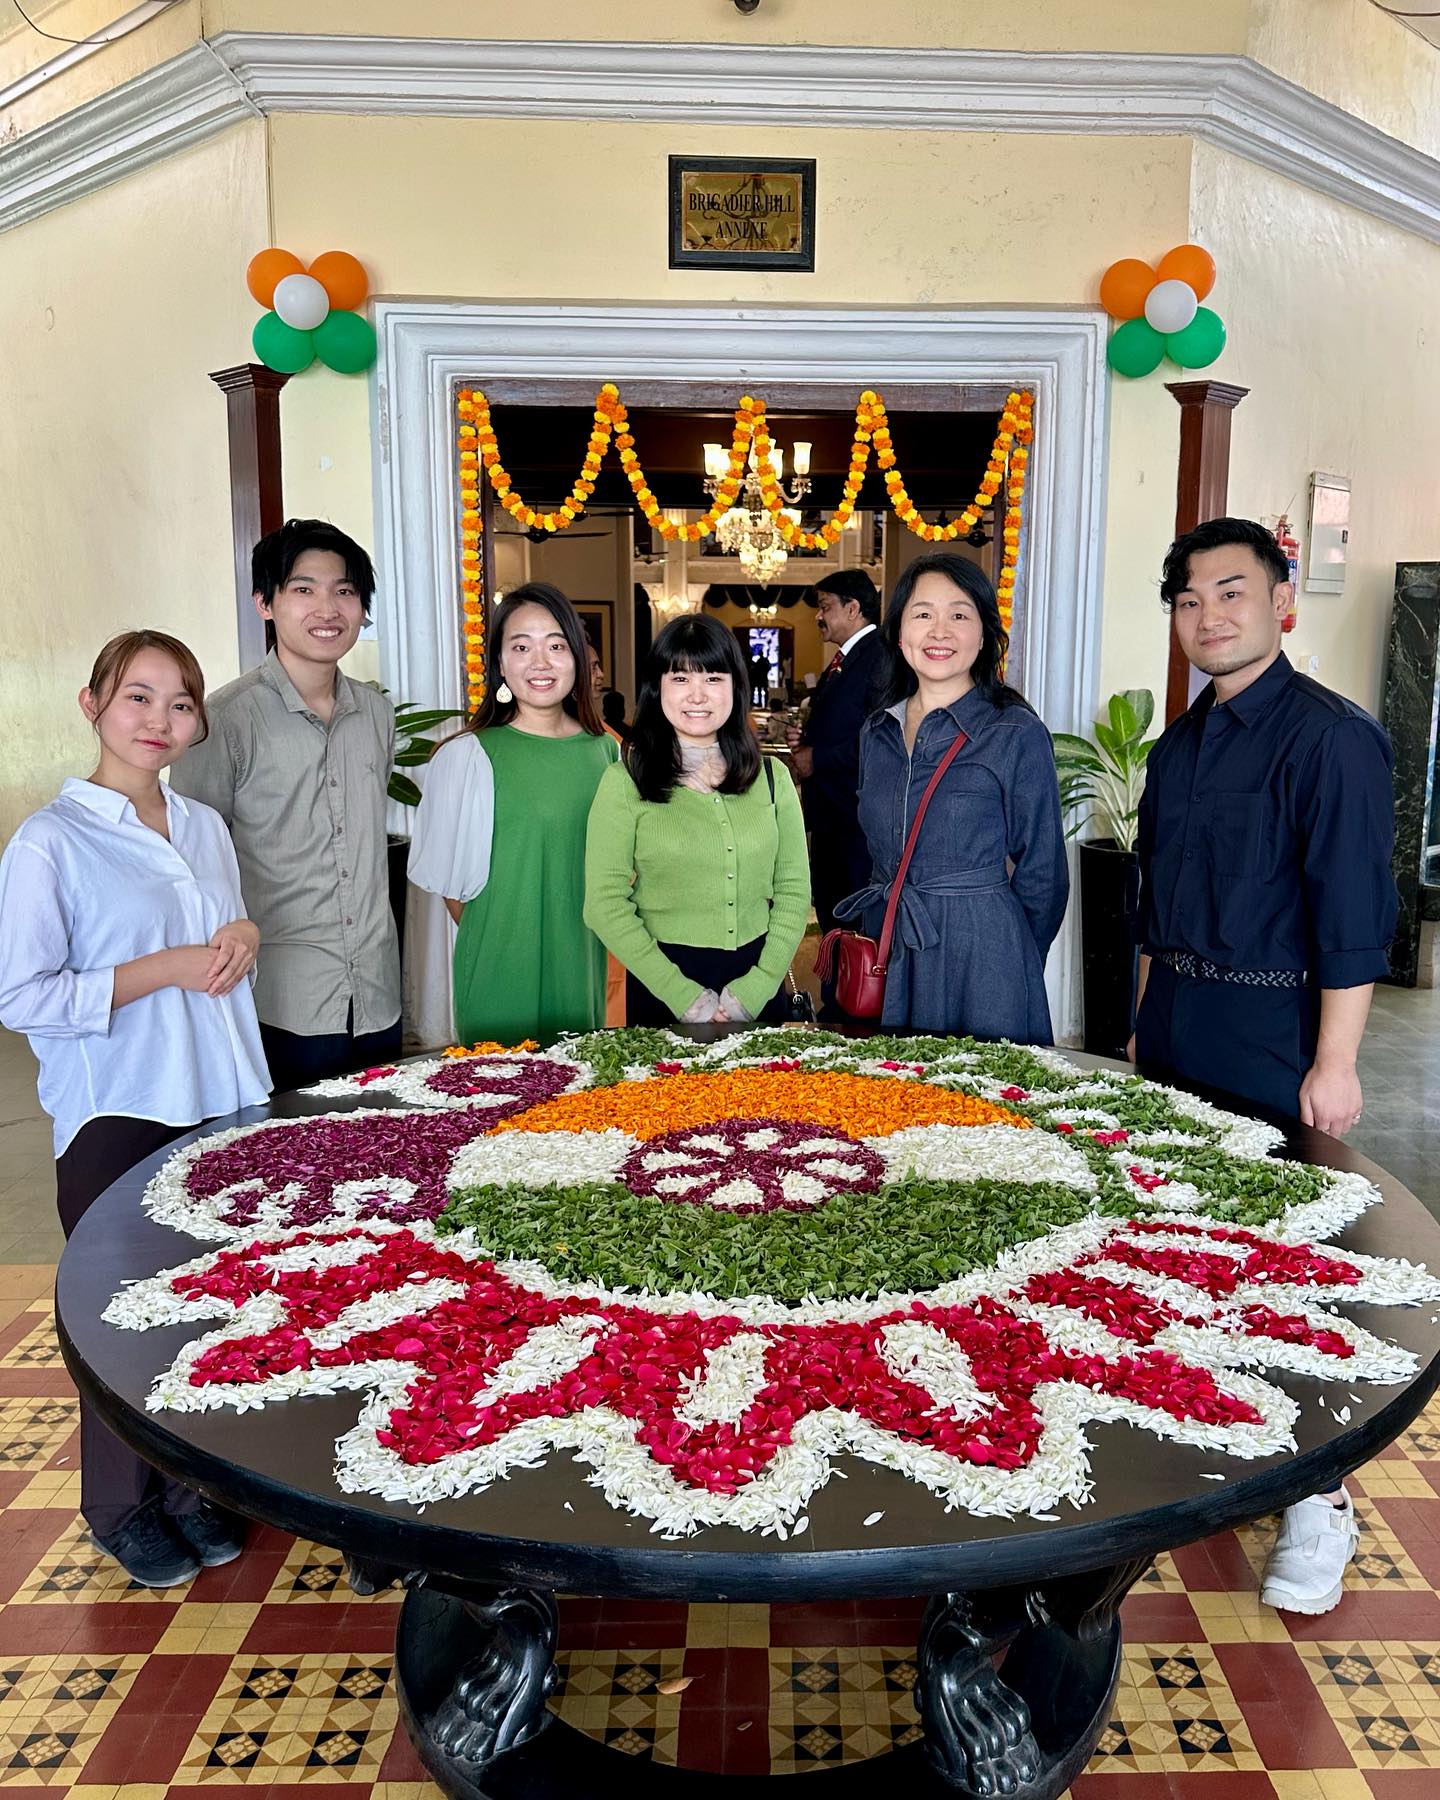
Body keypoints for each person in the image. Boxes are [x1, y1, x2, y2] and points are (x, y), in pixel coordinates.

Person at [1130, 515, 1398, 1617]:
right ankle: (1225, 1444)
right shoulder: (1178, 748)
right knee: (1186, 1246)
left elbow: (1354, 917)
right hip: (1178, 1024)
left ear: (1282, 600)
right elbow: (1151, 909)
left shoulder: (1331, 739)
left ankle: (1320, 1499)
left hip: (1277, 1030)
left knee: (1286, 1265)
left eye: (1231, 592)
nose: (1210, 616)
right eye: (1190, 600)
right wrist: (1143, 1027)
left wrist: (1336, 1062)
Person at [0, 631, 270, 1586]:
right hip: (119, 1106)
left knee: (208, 1307)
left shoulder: (202, 826)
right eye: (138, 697)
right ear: (93, 705)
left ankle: (193, 1490)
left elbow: (224, 941)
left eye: (180, 703)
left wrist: (243, 934)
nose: (160, 720)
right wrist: (160, 969)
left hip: (219, 1092)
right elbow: (23, 995)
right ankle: (121, 1507)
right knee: (122, 1318)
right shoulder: (52, 841)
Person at [170, 520, 400, 1094]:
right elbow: (192, 863)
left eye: (345, 591)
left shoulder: (375, 713)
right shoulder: (224, 720)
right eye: (303, 589)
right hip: (278, 998)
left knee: (387, 1139)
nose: (328, 608)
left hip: (376, 991)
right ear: (265, 603)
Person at [835, 553, 1068, 1040]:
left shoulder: (1014, 732)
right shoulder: (876, 731)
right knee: (891, 1083)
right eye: (923, 614)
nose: (939, 631)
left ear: (983, 635)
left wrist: (1013, 959)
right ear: (900, 633)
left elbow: (1044, 872)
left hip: (982, 958)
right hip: (890, 944)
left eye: (959, 615)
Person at [409, 582, 618, 1043]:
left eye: (556, 646)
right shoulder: (468, 755)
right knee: (502, 1082)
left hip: (581, 961)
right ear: (500, 664)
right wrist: (511, 936)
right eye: (521, 647)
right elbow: (452, 892)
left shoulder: (605, 751)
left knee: (578, 1079)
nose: (540, 662)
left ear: (578, 658)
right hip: (501, 963)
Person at [584, 613, 810, 1025]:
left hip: (759, 985)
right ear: (658, 688)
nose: (697, 695)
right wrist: (683, 996)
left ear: (735, 687)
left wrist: (757, 988)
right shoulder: (625, 781)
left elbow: (793, 892)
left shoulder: (772, 778)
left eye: (713, 678)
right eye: (680, 678)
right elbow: (603, 903)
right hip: (662, 987)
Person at [786, 569, 892, 952]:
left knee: (852, 932)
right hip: (833, 817)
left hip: (855, 823)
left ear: (852, 608)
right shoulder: (847, 659)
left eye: (825, 606)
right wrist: (806, 741)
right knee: (833, 922)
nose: (819, 616)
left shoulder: (879, 657)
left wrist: (818, 757)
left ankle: (846, 992)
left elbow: (880, 738)